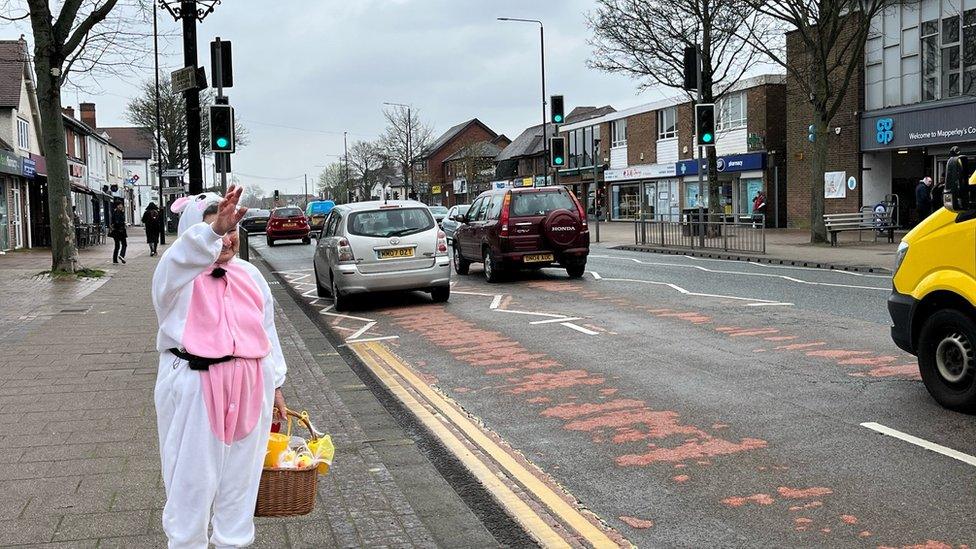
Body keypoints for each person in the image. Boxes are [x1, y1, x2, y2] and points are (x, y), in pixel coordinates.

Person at [152, 187, 288, 548]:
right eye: (217, 230)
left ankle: (233, 542)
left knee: (240, 485)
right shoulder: (177, 277)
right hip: (198, 385)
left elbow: (267, 329)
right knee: (190, 484)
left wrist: (275, 383)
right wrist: (210, 233)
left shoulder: (250, 275)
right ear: (194, 234)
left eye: (231, 230)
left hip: (250, 385)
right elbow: (177, 260)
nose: (227, 240)